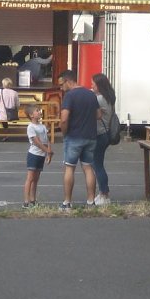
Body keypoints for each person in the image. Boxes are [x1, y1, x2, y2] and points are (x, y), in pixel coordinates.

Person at [58, 69, 101, 210]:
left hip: (74, 136)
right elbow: (99, 115)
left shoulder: (69, 96)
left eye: (61, 84)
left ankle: (67, 202)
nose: (61, 87)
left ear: (68, 81)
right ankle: (90, 202)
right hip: (90, 136)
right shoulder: (91, 94)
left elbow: (64, 119)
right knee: (88, 168)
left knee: (69, 168)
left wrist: (64, 133)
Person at [91, 73, 117, 206]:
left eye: (93, 84)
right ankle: (102, 193)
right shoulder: (109, 98)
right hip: (106, 134)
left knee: (97, 165)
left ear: (99, 86)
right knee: (98, 164)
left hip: (100, 134)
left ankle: (104, 193)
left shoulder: (99, 99)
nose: (91, 86)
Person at [23, 104, 52, 208]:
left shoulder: (43, 126)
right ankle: (26, 201)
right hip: (34, 155)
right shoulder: (31, 127)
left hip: (41, 155)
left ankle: (33, 200)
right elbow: (37, 142)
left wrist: (49, 152)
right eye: (37, 110)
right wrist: (47, 151)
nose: (40, 112)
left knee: (36, 179)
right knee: (30, 178)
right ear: (31, 115)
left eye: (39, 110)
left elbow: (46, 140)